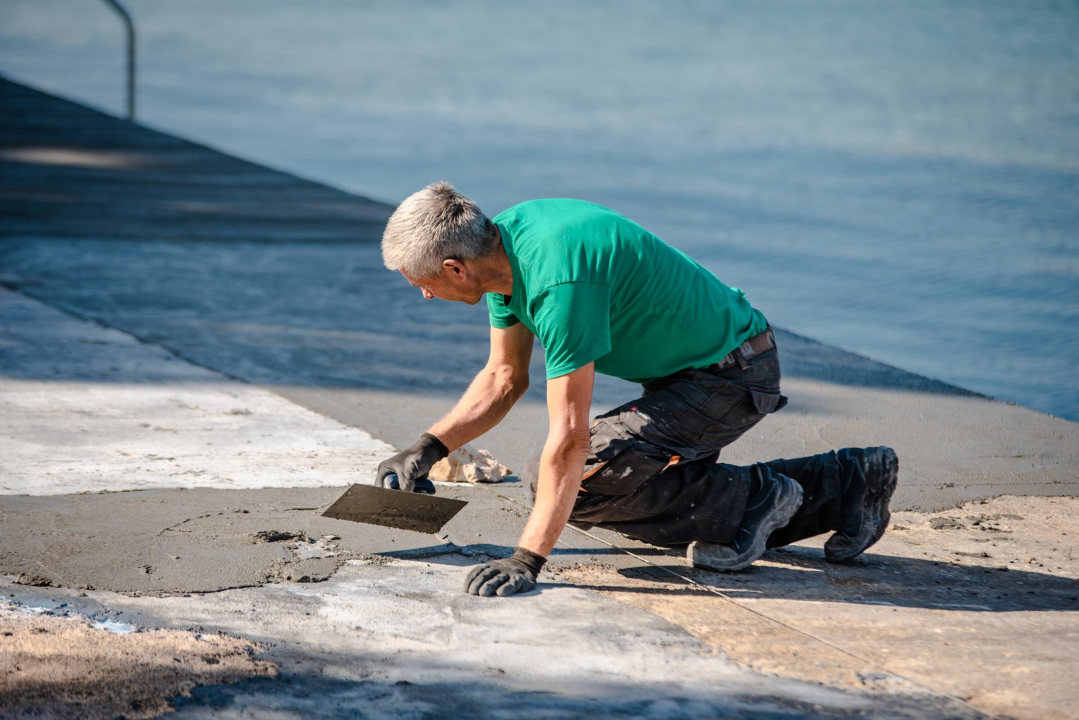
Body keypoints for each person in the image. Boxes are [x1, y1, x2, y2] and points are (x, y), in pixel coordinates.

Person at [376, 182, 898, 598]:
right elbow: (503, 378)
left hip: (732, 375)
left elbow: (572, 437)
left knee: (580, 480)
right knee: (587, 482)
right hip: (691, 374)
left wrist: (526, 559)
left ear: (454, 268)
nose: (423, 294)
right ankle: (848, 482)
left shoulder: (559, 282)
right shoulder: (503, 251)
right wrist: (427, 448)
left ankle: (756, 500)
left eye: (421, 282)